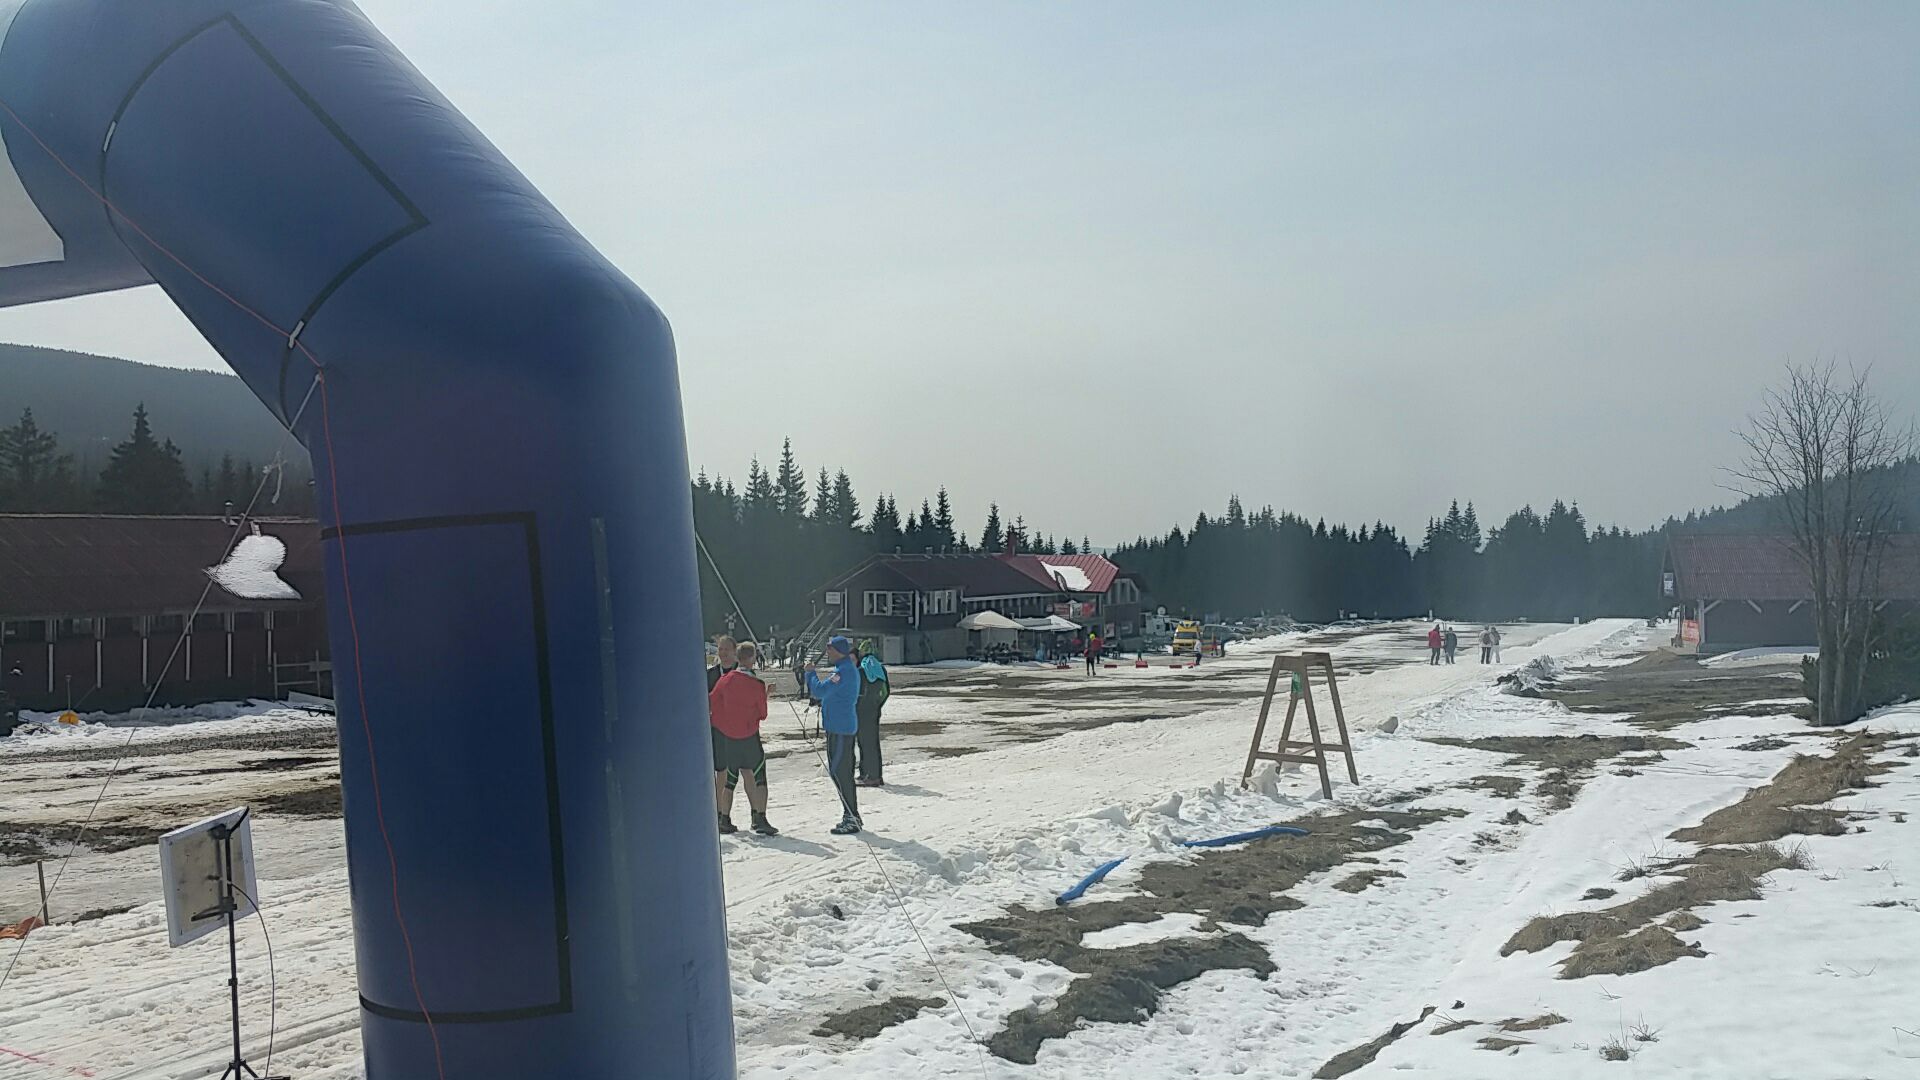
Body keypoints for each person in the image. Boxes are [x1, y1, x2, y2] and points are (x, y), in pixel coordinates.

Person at [710, 643, 776, 836]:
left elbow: (712, 700)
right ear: (753, 658)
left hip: (730, 736)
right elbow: (762, 714)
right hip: (749, 736)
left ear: (737, 657)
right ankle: (760, 817)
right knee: (759, 776)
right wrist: (765, 695)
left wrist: (723, 722)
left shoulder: (725, 680)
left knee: (730, 779)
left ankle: (724, 818)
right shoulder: (756, 684)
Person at [806, 636, 863, 835]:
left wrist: (810, 674)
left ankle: (851, 816)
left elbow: (820, 690)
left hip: (840, 729)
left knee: (841, 772)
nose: (827, 652)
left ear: (838, 650)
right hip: (839, 727)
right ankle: (850, 814)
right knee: (841, 771)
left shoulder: (843, 672)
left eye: (829, 649)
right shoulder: (844, 669)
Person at [854, 641, 889, 788]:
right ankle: (875, 775)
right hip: (874, 710)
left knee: (865, 743)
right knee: (873, 743)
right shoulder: (880, 668)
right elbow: (886, 691)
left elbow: (857, 692)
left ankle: (869, 775)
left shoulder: (862, 669)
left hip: (863, 711)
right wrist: (878, 705)